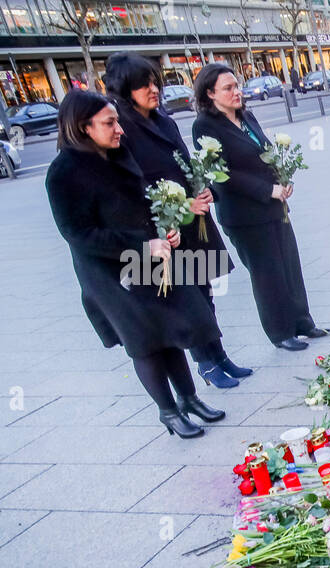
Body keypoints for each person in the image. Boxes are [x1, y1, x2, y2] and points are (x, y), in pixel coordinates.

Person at [46, 90, 225, 438]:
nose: (119, 130)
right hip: (111, 275)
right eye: (110, 123)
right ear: (84, 127)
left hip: (149, 260)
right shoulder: (63, 172)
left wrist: (166, 230)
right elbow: (77, 234)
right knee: (144, 341)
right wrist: (144, 244)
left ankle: (189, 399)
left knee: (171, 329)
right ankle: (169, 412)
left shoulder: (117, 154)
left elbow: (144, 202)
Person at [103, 52, 249, 389]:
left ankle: (219, 354)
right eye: (144, 85)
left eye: (154, 82)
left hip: (193, 218)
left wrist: (203, 189)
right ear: (125, 89)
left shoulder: (162, 119)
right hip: (165, 226)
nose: (154, 90)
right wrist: (180, 206)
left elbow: (185, 162)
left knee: (205, 290)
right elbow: (132, 182)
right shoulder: (123, 128)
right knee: (187, 298)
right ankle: (205, 362)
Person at [191, 63, 324, 351]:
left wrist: (283, 180)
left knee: (289, 265)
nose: (236, 91)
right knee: (267, 274)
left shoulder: (246, 117)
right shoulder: (204, 126)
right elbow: (221, 175)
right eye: (228, 88)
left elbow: (265, 154)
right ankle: (280, 332)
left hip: (274, 207)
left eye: (236, 85)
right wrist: (267, 190)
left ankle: (303, 322)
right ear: (210, 93)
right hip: (244, 215)